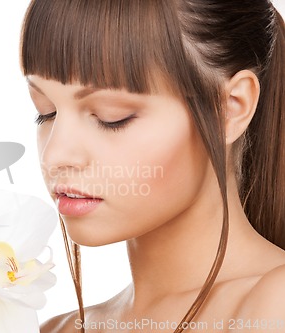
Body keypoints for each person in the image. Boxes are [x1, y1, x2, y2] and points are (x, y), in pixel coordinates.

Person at [20, 0, 285, 332]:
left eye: (111, 117)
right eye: (45, 110)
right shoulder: (60, 328)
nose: (55, 156)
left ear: (229, 109)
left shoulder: (274, 305)